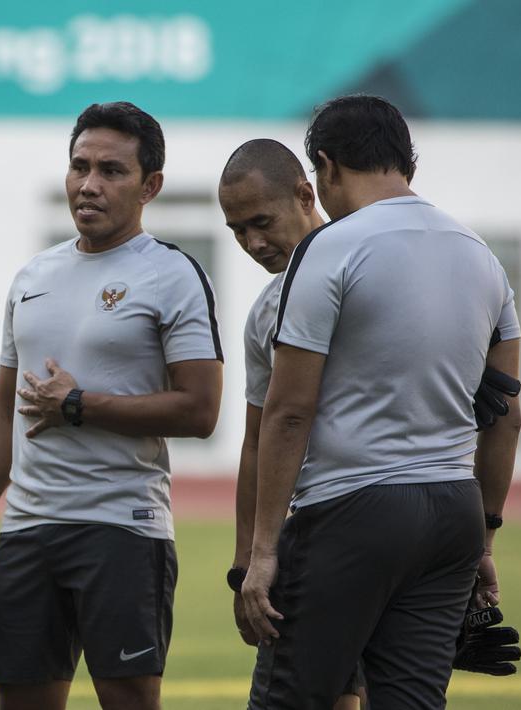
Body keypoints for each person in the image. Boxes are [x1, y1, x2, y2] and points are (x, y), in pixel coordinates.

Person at [239, 95, 521, 709]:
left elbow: (288, 411)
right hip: (453, 513)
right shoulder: (481, 256)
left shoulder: (331, 248)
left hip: (352, 509)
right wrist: (486, 538)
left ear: (326, 167)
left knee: (291, 700)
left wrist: (262, 554)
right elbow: (505, 416)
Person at [0, 101, 224, 710]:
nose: (89, 184)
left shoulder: (172, 274)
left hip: (122, 530)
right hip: (26, 535)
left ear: (150, 185)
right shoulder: (32, 277)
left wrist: (80, 404)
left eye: (111, 171)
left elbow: (201, 411)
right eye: (79, 166)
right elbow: (4, 412)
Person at [217, 138, 365, 710]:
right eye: (236, 230)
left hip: (369, 522)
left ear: (306, 193)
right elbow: (257, 442)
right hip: (313, 532)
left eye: (261, 221)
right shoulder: (265, 312)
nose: (253, 242)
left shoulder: (370, 269)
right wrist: (244, 562)